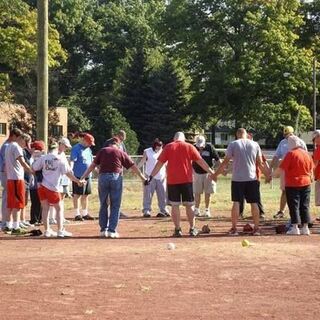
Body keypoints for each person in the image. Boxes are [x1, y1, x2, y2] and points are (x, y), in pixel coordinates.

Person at [148, 132, 216, 237]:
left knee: (175, 205)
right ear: (183, 139)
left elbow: (159, 164)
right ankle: (192, 228)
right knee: (189, 205)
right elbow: (201, 161)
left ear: (174, 138)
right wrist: (212, 172)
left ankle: (177, 229)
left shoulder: (168, 147)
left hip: (172, 181)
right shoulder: (189, 146)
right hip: (187, 180)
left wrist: (151, 176)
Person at [80, 137, 146, 238]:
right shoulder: (120, 152)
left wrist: (83, 177)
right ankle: (112, 230)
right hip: (116, 177)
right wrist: (142, 178)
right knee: (115, 204)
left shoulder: (102, 151)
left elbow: (92, 166)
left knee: (103, 203)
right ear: (117, 145)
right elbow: (133, 166)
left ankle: (103, 230)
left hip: (103, 177)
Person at [212, 128, 271, 236]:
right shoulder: (255, 144)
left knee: (236, 202)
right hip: (252, 178)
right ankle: (256, 229)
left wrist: (215, 174)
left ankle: (234, 229)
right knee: (254, 203)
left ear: (237, 135)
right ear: (246, 134)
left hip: (237, 179)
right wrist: (267, 175)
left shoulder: (233, 144)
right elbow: (260, 163)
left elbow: (225, 162)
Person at [32, 142, 83, 237]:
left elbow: (34, 167)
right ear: (57, 148)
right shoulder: (60, 159)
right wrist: (77, 181)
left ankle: (47, 231)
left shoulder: (43, 158)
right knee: (59, 209)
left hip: (42, 186)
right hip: (52, 187)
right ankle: (60, 230)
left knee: (45, 208)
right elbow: (68, 173)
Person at [278, 135, 313, 235]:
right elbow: (311, 169)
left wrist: (279, 182)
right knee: (305, 205)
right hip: (306, 182)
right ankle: (305, 227)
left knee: (294, 205)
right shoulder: (307, 154)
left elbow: (283, 169)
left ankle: (295, 227)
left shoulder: (290, 154)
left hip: (292, 183)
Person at [270, 126, 307, 219]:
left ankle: (297, 212)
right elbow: (276, 155)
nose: (287, 136)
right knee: (284, 190)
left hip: (297, 170)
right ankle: (281, 211)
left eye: (289, 134)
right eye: (286, 135)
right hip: (285, 170)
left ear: (293, 133)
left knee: (298, 192)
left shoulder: (300, 142)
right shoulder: (282, 143)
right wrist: (270, 166)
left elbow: (305, 155)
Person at [4, 133, 34, 235]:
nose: (25, 146)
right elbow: (22, 161)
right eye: (25, 143)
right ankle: (16, 227)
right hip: (17, 178)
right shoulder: (17, 147)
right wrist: (31, 170)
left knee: (11, 204)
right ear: (21, 139)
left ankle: (8, 225)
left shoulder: (8, 146)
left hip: (10, 178)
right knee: (17, 204)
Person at [239, 132, 269, 219]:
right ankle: (240, 213)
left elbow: (263, 161)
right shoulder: (242, 148)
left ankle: (260, 213)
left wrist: (268, 173)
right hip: (243, 176)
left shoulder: (255, 147)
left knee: (256, 195)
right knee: (241, 195)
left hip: (254, 176)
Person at [137, 138, 169, 218]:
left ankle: (164, 210)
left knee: (163, 195)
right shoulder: (147, 151)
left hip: (161, 177)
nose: (159, 148)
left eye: (160, 146)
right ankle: (146, 210)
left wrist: (167, 174)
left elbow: (167, 164)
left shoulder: (163, 151)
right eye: (157, 146)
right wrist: (136, 169)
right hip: (149, 176)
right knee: (148, 194)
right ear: (154, 145)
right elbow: (142, 162)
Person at [192, 135, 220, 218]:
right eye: (198, 146)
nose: (200, 148)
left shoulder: (210, 147)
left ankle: (207, 210)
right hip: (196, 173)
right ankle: (196, 210)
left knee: (208, 193)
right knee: (197, 192)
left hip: (208, 173)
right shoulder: (193, 148)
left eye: (201, 146)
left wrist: (218, 172)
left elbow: (218, 160)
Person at [0, 128, 22, 230]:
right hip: (7, 174)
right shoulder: (8, 146)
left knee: (9, 198)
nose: (19, 140)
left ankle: (7, 222)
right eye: (18, 137)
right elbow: (6, 163)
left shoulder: (7, 145)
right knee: (9, 198)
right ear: (14, 136)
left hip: (8, 174)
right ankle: (6, 222)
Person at [70, 133, 95, 221]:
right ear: (84, 141)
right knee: (77, 195)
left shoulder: (88, 149)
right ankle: (77, 214)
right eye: (89, 143)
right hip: (78, 175)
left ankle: (85, 213)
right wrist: (71, 170)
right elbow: (72, 160)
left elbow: (92, 162)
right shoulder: (76, 148)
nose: (90, 145)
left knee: (86, 195)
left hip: (88, 175)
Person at [104, 130, 128, 219]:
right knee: (110, 193)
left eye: (123, 140)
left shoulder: (122, 144)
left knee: (118, 192)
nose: (121, 141)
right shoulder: (109, 142)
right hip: (109, 171)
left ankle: (117, 211)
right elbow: (104, 154)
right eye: (121, 139)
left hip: (119, 171)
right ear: (118, 135)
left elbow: (125, 155)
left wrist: (125, 167)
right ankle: (109, 211)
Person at [29, 140, 46, 225]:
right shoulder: (32, 158)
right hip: (34, 184)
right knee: (35, 202)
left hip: (41, 183)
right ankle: (34, 219)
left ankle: (40, 218)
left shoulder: (42, 158)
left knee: (41, 202)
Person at [312, 130, 320, 221]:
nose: (314, 141)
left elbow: (315, 163)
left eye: (315, 138)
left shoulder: (319, 149)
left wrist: (311, 173)